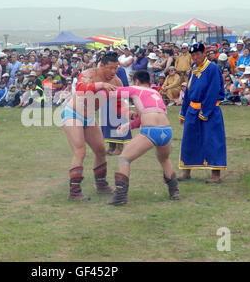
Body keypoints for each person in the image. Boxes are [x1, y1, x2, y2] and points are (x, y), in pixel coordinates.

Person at [62, 52, 134, 201]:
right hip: (73, 113)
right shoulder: (89, 73)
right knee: (80, 151)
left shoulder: (116, 82)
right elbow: (81, 88)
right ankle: (74, 191)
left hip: (89, 116)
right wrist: (100, 85)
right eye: (110, 68)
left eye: (116, 68)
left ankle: (101, 184)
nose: (113, 72)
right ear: (101, 66)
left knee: (101, 150)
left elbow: (119, 104)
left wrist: (130, 113)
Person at [107, 70, 180, 205]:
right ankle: (174, 191)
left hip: (151, 130)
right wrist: (127, 126)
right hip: (166, 130)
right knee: (164, 159)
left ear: (136, 81)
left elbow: (112, 92)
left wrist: (99, 86)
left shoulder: (136, 89)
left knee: (124, 158)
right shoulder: (156, 93)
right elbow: (144, 115)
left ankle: (120, 196)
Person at [178, 43, 227, 184]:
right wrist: (183, 112)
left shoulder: (212, 68)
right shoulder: (193, 69)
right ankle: (186, 171)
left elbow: (213, 91)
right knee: (189, 141)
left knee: (212, 141)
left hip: (209, 111)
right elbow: (188, 91)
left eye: (198, 54)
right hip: (192, 110)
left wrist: (205, 112)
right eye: (192, 55)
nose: (195, 57)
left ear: (204, 53)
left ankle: (215, 174)